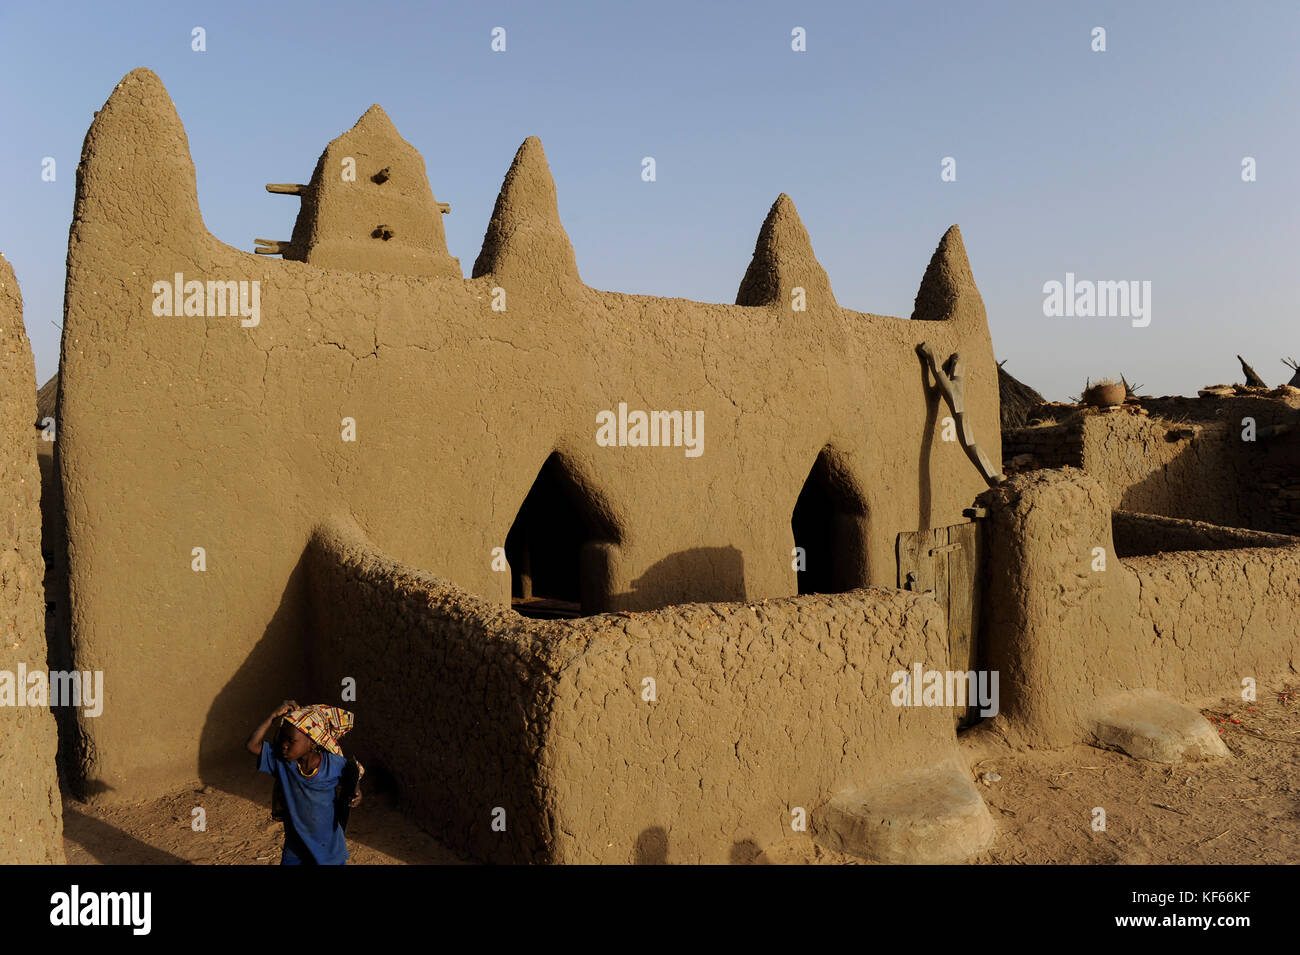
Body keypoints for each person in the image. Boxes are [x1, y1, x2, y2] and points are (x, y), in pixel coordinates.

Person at [245, 700, 363, 865]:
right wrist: (273, 716)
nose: (284, 745)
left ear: (312, 743)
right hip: (296, 847)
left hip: (327, 848)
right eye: (283, 739)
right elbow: (252, 745)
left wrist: (356, 791)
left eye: (291, 741)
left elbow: (353, 772)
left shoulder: (331, 764)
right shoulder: (283, 762)